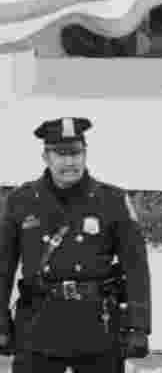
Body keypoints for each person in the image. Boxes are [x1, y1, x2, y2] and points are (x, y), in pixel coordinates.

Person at [0, 118, 151, 372]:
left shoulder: (112, 201)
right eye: (60, 154)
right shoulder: (21, 201)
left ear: (85, 154)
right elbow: (2, 266)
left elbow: (136, 267)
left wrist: (138, 325)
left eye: (76, 153)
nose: (70, 162)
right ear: (45, 157)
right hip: (39, 327)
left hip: (97, 328)